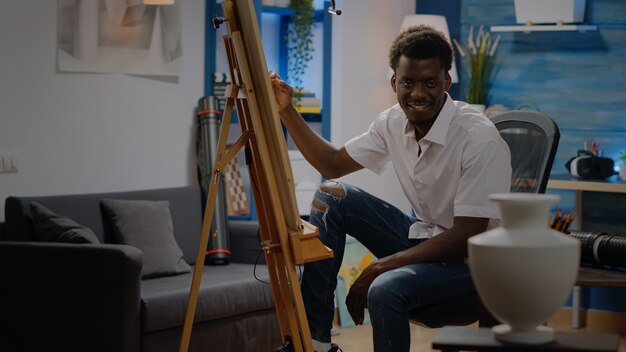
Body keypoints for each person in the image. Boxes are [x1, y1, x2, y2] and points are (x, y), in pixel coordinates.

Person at [271, 25, 511, 352]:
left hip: (477, 267)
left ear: (446, 83)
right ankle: (316, 343)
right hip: (428, 242)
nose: (418, 94)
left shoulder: (478, 138)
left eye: (430, 83)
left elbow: (466, 235)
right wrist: (286, 110)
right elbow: (332, 163)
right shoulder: (392, 122)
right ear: (395, 83)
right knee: (332, 195)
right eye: (409, 82)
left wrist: (382, 266)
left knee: (383, 288)